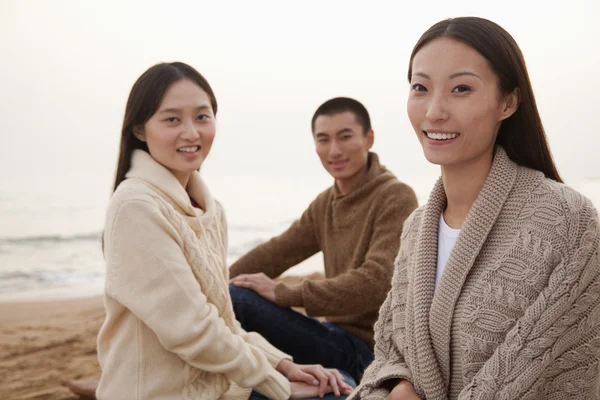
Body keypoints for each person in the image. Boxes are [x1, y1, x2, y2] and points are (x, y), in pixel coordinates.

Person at [349, 17, 600, 400]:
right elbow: (390, 353)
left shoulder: (568, 221)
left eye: (461, 88)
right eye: (420, 87)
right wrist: (396, 386)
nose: (434, 111)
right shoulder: (417, 229)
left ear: (508, 102)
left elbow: (554, 371)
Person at [77, 62, 353, 400]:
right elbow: (193, 330)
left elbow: (222, 320)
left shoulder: (209, 209)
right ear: (138, 129)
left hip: (218, 388)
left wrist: (284, 365)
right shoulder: (137, 207)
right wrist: (279, 385)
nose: (191, 132)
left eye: (202, 117)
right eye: (172, 119)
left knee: (341, 385)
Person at [229, 97, 419, 384]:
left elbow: (377, 281)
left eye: (345, 137)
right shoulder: (325, 204)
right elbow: (276, 252)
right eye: (323, 140)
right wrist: (213, 283)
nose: (334, 151)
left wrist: (284, 293)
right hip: (334, 338)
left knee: (239, 301)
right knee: (228, 296)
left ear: (369, 138)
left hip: (371, 350)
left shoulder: (395, 196)